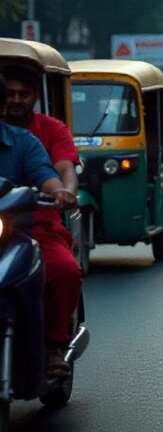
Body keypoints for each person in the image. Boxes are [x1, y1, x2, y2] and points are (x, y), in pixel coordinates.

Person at [0, 72, 79, 377]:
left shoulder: (25, 141)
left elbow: (51, 173)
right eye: (12, 94)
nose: (16, 100)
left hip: (28, 228)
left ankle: (52, 347)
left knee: (64, 270)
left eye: (24, 94)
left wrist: (60, 191)